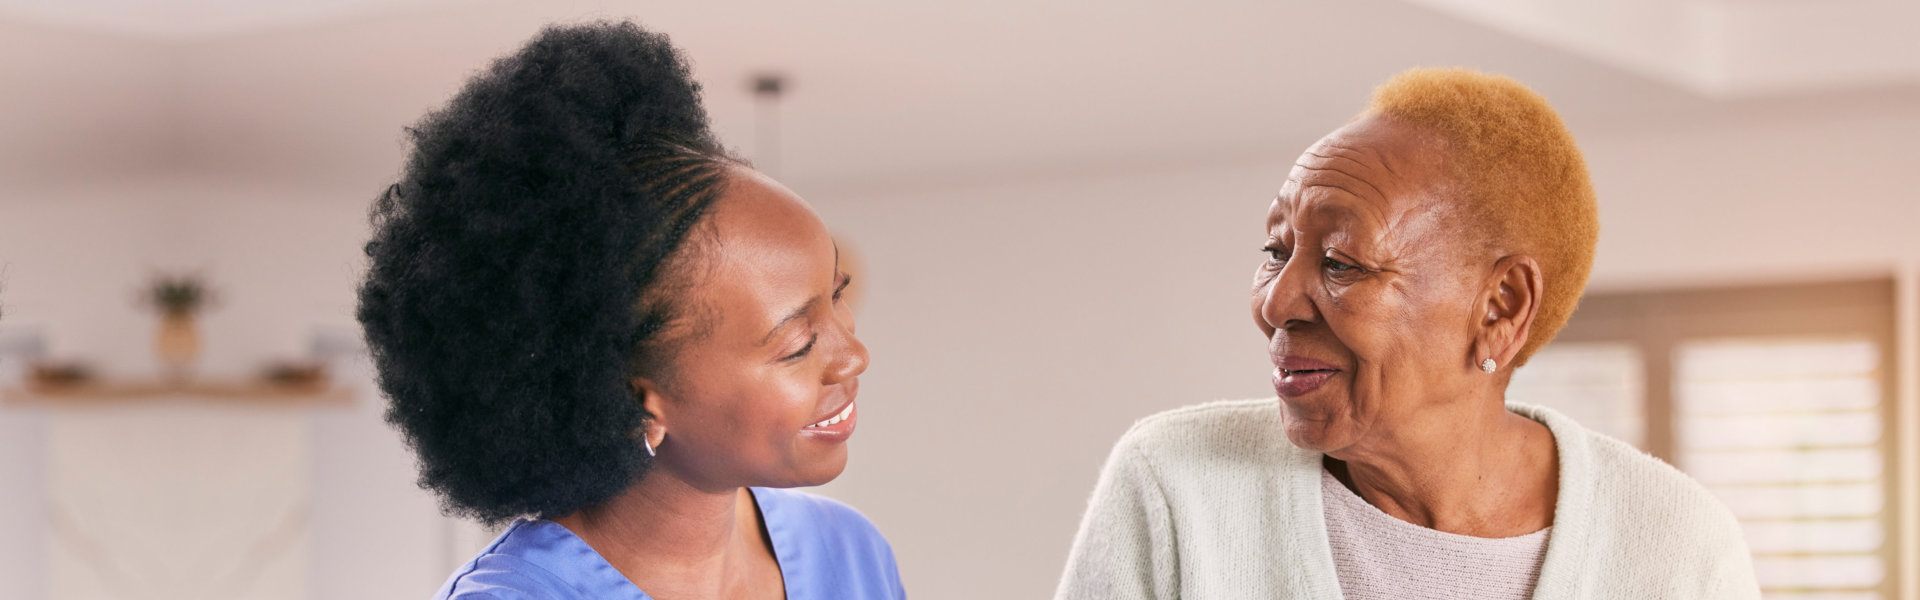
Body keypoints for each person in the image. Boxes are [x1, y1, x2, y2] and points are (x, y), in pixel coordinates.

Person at [1055, 67, 1759, 599]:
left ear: (1500, 308)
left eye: (1340, 262)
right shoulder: (1178, 485)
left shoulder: (1678, 548)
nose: (1276, 302)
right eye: (1275, 251)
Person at [357, 21, 903, 600]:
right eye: (797, 344)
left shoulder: (849, 553)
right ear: (640, 404)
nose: (855, 355)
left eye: (837, 294)